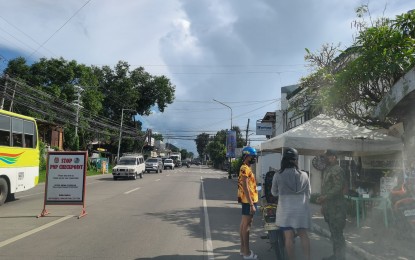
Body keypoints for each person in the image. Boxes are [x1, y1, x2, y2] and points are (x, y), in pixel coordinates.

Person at [271, 147, 311, 260]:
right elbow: (309, 194)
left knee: (288, 237)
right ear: (296, 160)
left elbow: (274, 193)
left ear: (283, 160)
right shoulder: (304, 175)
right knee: (304, 235)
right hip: (302, 211)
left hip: (286, 212)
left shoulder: (278, 175)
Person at [318, 149, 347, 260]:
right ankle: (336, 255)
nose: (326, 158)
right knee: (334, 234)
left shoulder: (337, 170)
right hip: (329, 207)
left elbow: (338, 187)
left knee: (338, 234)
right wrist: (323, 204)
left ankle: (340, 257)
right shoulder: (328, 170)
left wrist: (325, 197)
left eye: (328, 156)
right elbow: (326, 187)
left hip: (337, 208)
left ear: (334, 157)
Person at [238, 146, 259, 259]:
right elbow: (245, 187)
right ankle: (247, 253)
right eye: (252, 156)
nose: (254, 158)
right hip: (248, 201)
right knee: (247, 226)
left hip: (247, 200)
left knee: (243, 225)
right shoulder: (245, 168)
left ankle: (243, 249)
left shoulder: (245, 167)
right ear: (246, 156)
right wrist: (251, 204)